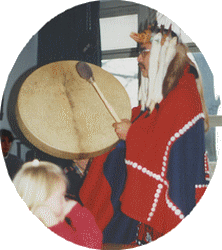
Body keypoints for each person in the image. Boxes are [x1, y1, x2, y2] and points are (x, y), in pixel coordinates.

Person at [79, 23, 210, 246]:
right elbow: (153, 125)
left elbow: (163, 147)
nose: (138, 59)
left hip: (175, 203)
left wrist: (132, 134)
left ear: (163, 53)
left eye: (144, 52)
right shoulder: (174, 91)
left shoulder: (181, 95)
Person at [13, 160, 103, 249]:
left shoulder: (60, 224)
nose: (65, 201)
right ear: (42, 200)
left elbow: (93, 243)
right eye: (61, 196)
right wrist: (76, 214)